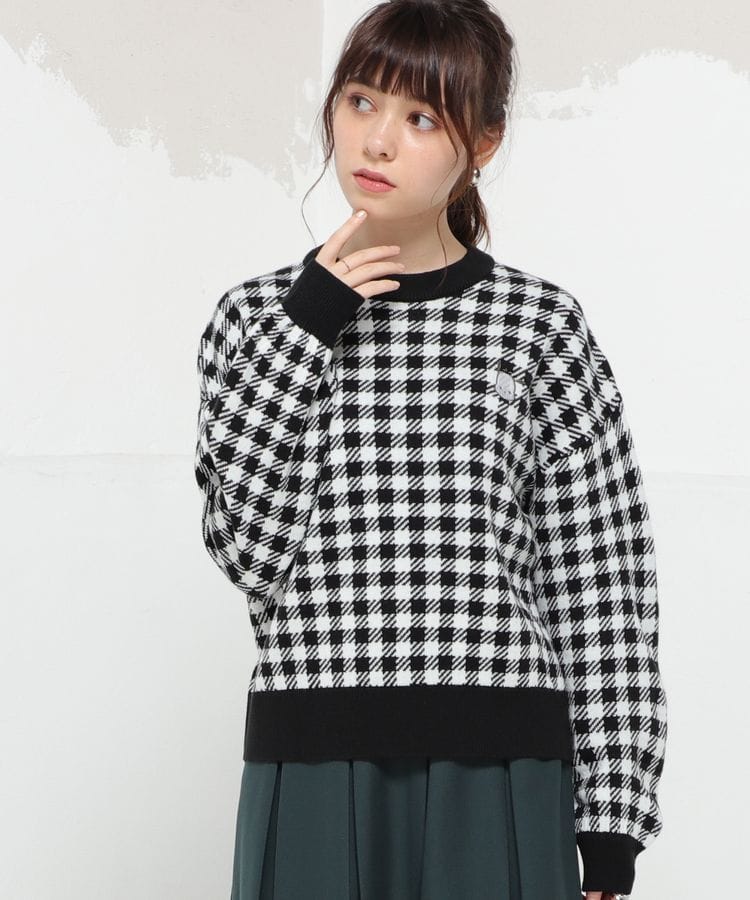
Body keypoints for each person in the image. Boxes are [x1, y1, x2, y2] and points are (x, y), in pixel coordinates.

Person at [194, 2, 668, 898]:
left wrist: (612, 817)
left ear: (483, 142)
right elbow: (249, 553)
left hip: (501, 766)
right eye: (361, 102)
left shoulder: (538, 326)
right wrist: (310, 324)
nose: (377, 140)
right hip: (312, 754)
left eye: (420, 117)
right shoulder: (256, 319)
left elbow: (601, 578)